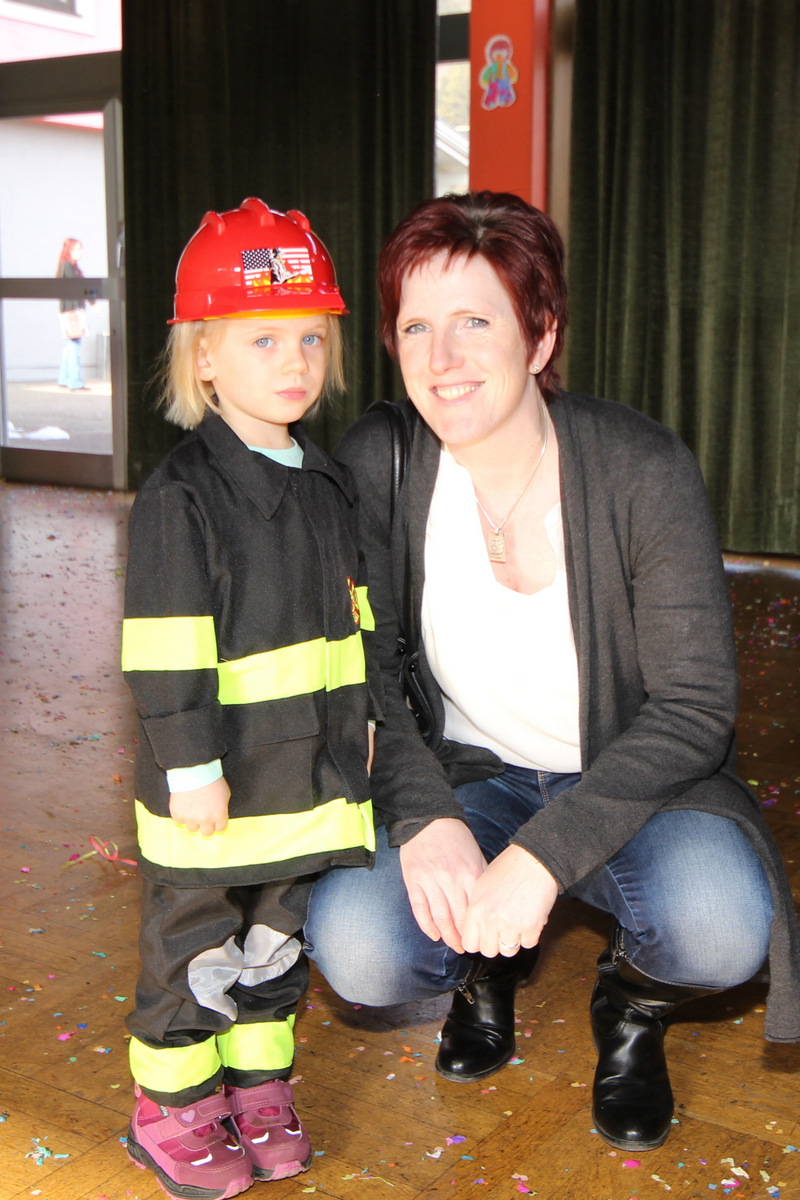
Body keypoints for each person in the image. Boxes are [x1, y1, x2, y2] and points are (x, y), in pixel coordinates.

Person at [304, 190, 800, 1153]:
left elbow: (695, 706)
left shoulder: (641, 469)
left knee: (718, 927)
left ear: (540, 337)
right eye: (417, 327)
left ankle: (631, 1006)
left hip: (628, 780)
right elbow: (363, 671)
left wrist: (538, 859)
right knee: (361, 947)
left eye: (476, 322)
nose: (442, 358)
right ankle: (481, 970)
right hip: (468, 777)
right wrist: (426, 816)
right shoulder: (382, 462)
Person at [121, 197, 379, 1199]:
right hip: (215, 787)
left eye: (310, 338)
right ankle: (173, 1107)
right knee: (193, 946)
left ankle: (256, 1088)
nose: (294, 361)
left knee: (274, 943)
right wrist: (191, 768)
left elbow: (350, 622)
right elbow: (165, 650)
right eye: (263, 339)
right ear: (205, 358)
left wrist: (359, 728)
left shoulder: (325, 479)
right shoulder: (181, 496)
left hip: (305, 779)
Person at [56, 237, 89, 392]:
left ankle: (63, 379)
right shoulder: (67, 266)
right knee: (74, 346)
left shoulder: (70, 266)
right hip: (72, 311)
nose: (81, 252)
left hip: (71, 310)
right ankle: (74, 382)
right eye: (77, 249)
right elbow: (78, 287)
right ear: (69, 251)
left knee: (71, 346)